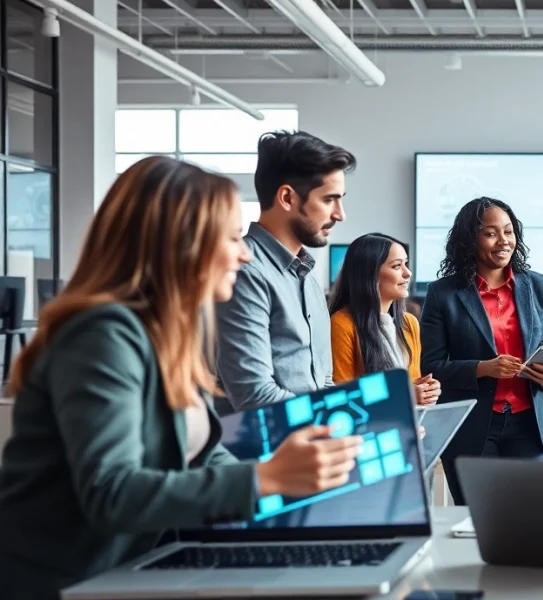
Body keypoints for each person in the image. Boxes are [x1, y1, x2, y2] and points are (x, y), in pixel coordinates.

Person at [0, 157, 362, 600]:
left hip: (132, 573)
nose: (245, 252)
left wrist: (301, 484)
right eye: (232, 238)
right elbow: (111, 492)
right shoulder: (102, 335)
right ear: (180, 245)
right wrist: (264, 479)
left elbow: (205, 459)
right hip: (64, 583)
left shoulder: (167, 335)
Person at [419, 197, 543, 505]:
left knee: (526, 521)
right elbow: (432, 365)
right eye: (491, 233)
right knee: (475, 521)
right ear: (468, 240)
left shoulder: (538, 286)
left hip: (528, 426)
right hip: (471, 426)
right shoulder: (443, 294)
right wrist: (483, 368)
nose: (504, 241)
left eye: (509, 231)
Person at [216, 130, 356, 411]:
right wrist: (339, 425)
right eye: (329, 200)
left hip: (314, 446)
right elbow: (255, 396)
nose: (340, 213)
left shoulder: (307, 277)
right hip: (268, 452)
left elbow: (322, 383)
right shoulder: (245, 271)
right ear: (287, 198)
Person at [329, 232, 440, 404]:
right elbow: (342, 397)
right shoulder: (342, 324)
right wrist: (408, 395)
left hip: (410, 424)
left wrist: (426, 390)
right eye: (397, 266)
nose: (408, 273)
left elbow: (413, 381)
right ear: (371, 275)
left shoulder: (409, 323)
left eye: (406, 264)